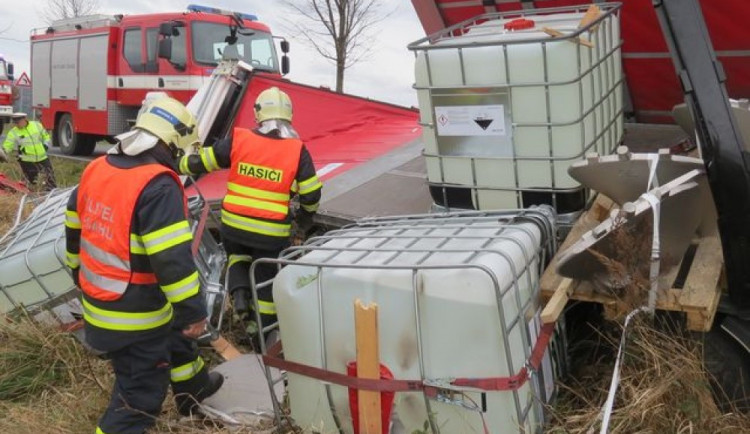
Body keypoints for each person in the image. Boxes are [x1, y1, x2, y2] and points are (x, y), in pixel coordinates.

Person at [64, 97, 223, 434]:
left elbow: (73, 227)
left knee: (177, 335)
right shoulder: (159, 185)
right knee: (138, 401)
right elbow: (172, 261)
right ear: (172, 142)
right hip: (134, 318)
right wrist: (194, 312)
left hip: (100, 304)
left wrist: (78, 272)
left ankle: (192, 390)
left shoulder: (98, 168)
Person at [178, 86, 322, 342]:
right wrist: (303, 221)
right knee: (266, 282)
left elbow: (205, 161)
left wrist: (177, 162)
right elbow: (311, 192)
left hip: (233, 225)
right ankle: (263, 339)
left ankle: (241, 296)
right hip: (271, 233)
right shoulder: (297, 150)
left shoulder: (240, 139)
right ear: (289, 115)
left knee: (237, 259)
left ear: (258, 114)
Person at [2, 112, 57, 190]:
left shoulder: (36, 125)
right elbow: (7, 146)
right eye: (15, 123)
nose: (17, 124)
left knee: (50, 179)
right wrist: (3, 153)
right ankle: (37, 195)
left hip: (42, 158)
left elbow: (45, 136)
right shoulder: (13, 132)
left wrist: (45, 145)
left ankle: (52, 194)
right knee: (34, 182)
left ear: (24, 119)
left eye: (18, 122)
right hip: (27, 162)